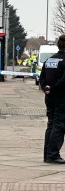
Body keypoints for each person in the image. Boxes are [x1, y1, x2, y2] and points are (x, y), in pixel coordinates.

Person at [39, 34, 65, 163]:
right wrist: (53, 88)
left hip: (49, 97)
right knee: (59, 125)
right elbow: (64, 81)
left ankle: (47, 154)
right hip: (62, 97)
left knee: (51, 123)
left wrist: (46, 88)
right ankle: (53, 154)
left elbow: (41, 77)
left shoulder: (50, 60)